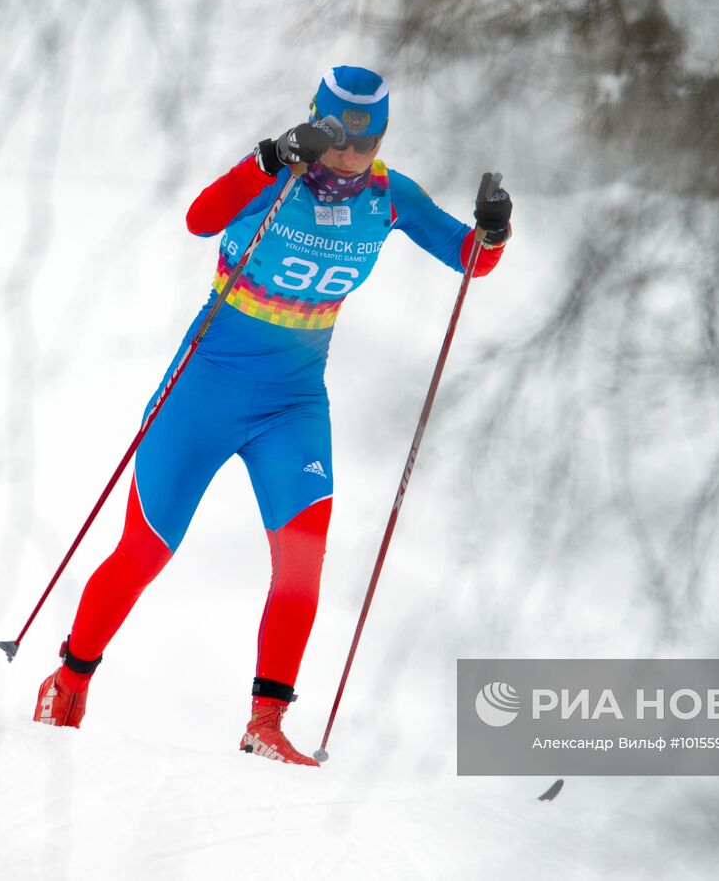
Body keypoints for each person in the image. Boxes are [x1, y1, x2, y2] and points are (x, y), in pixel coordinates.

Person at [32, 65, 512, 766]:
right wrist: (266, 158)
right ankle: (68, 684)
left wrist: (493, 232)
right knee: (146, 550)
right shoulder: (277, 178)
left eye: (367, 141)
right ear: (314, 126)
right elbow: (199, 220)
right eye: (339, 139)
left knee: (302, 565)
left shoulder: (389, 195)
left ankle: (266, 722)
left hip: (293, 405)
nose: (351, 156)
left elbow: (469, 259)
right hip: (203, 392)